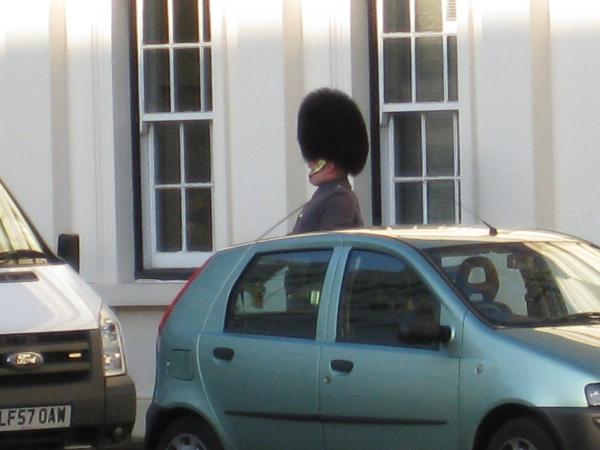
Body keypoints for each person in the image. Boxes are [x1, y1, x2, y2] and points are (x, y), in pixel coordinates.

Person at [292, 88, 369, 234]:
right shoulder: (327, 195)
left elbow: (328, 247)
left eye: (315, 160)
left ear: (329, 166)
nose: (309, 163)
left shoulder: (339, 200)